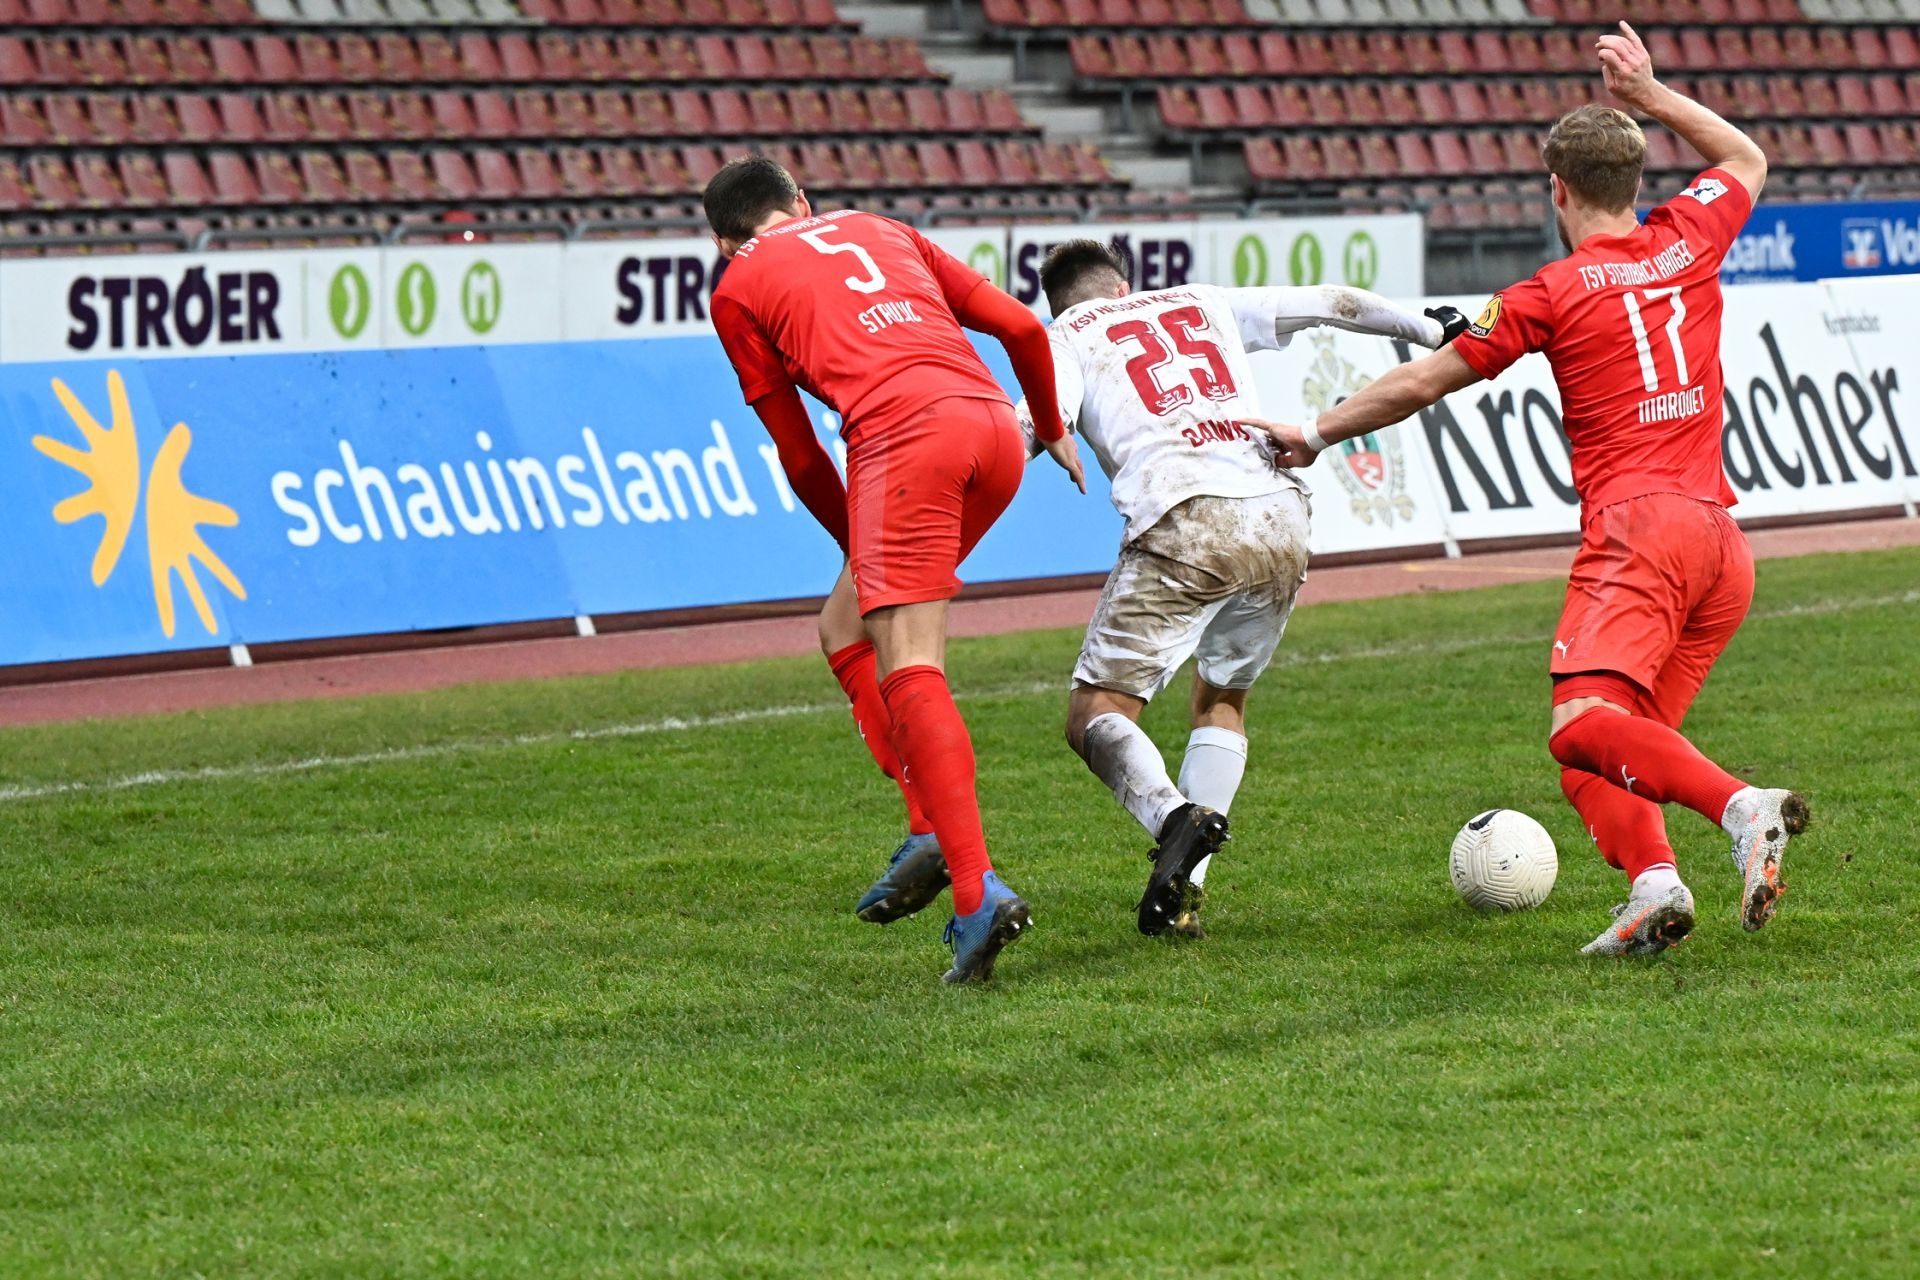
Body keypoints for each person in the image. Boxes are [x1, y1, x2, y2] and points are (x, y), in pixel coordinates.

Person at [1250, 22, 1808, 956]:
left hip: (1640, 532)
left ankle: (1742, 807)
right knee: (1605, 750)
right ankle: (1655, 890)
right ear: (1636, 182)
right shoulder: (1688, 235)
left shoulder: (1549, 292)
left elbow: (1423, 381)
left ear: (1557, 189)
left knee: (1580, 727)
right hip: (1721, 541)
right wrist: (1650, 93)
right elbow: (1746, 157)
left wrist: (1312, 432)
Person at [703, 155, 1085, 983]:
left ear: (724, 243)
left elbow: (801, 455)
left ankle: (975, 894)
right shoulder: (880, 228)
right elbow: (1024, 331)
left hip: (905, 440)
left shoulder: (735, 288)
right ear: (803, 201)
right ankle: (925, 827)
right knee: (844, 625)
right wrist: (1052, 428)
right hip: (994, 431)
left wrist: (856, 539)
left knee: (909, 659)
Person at [1027, 239, 1469, 937]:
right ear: (1121, 287)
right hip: (1278, 513)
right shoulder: (1200, 299)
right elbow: (1331, 302)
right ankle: (1185, 899)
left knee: (1094, 715)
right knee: (1221, 699)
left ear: (1062, 305)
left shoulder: (1065, 335)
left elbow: (1036, 419)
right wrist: (1431, 328)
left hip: (1186, 516)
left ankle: (1175, 818)